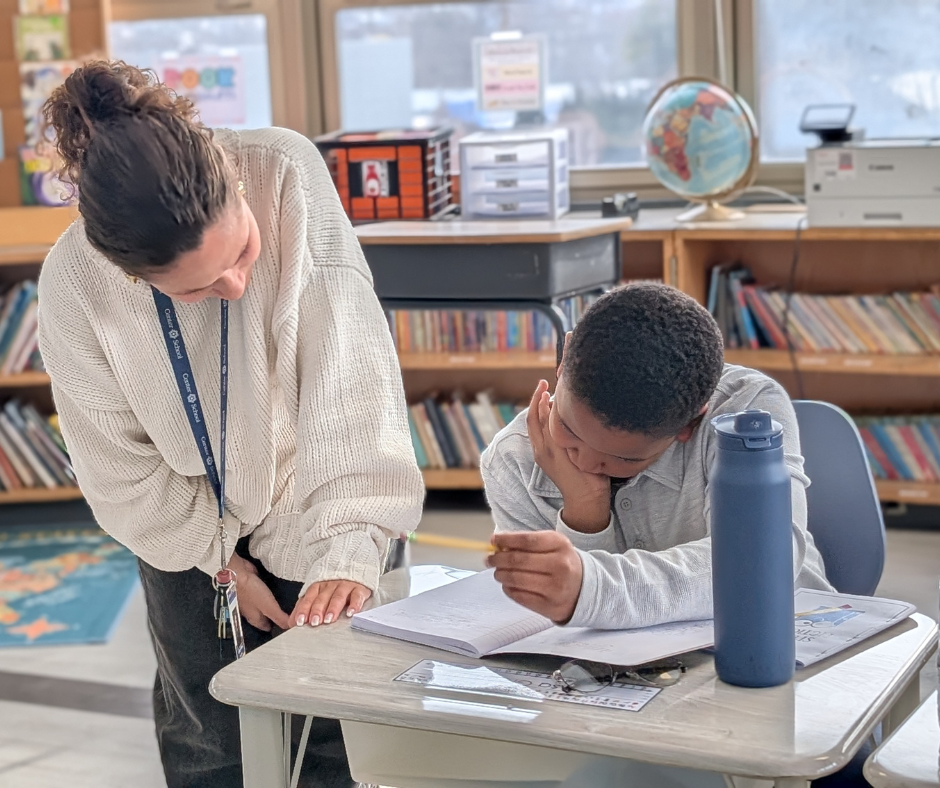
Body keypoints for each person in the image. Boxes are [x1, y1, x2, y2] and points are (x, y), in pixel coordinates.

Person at [37, 60, 423, 787]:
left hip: (319, 492)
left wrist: (349, 545)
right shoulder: (74, 284)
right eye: (197, 289)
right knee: (209, 738)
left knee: (340, 736)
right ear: (133, 275)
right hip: (178, 519)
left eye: (241, 252)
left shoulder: (285, 172)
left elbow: (350, 375)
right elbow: (116, 466)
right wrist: (218, 560)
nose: (236, 286)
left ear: (231, 178)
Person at [482, 283, 832, 629]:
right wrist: (585, 512)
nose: (585, 464)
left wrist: (593, 588)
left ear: (690, 423)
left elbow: (760, 561)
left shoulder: (747, 413)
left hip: (793, 633)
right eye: (567, 428)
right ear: (564, 358)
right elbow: (558, 625)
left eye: (624, 459)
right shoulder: (513, 461)